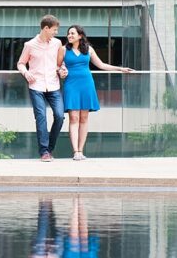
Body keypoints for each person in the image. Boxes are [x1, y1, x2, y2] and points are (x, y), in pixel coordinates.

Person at [57, 25, 134, 160]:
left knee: (84, 118)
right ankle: (75, 151)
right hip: (71, 85)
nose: (69, 36)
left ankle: (81, 150)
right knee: (74, 117)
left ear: (80, 35)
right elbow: (57, 66)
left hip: (87, 84)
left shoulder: (89, 49)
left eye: (72, 33)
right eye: (68, 34)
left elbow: (102, 65)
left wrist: (120, 69)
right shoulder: (63, 49)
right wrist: (61, 71)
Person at [17, 15, 67, 162]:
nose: (56, 33)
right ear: (46, 28)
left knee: (59, 116)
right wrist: (26, 73)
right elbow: (20, 63)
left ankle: (49, 148)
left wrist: (62, 70)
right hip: (36, 86)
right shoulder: (30, 45)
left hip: (53, 85)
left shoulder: (57, 43)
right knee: (41, 118)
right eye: (54, 30)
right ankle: (44, 152)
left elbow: (59, 63)